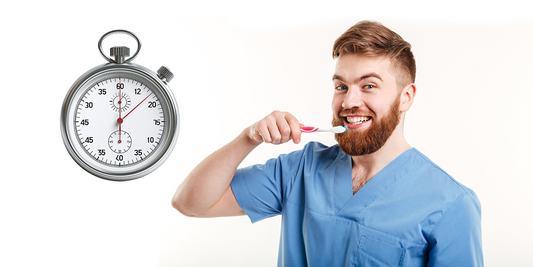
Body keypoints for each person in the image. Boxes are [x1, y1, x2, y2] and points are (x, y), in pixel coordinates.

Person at [172, 20, 483, 266]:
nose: (349, 101)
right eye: (341, 86)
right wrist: (248, 138)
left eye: (369, 85)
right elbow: (190, 203)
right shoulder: (300, 169)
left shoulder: (451, 205)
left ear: (406, 98)